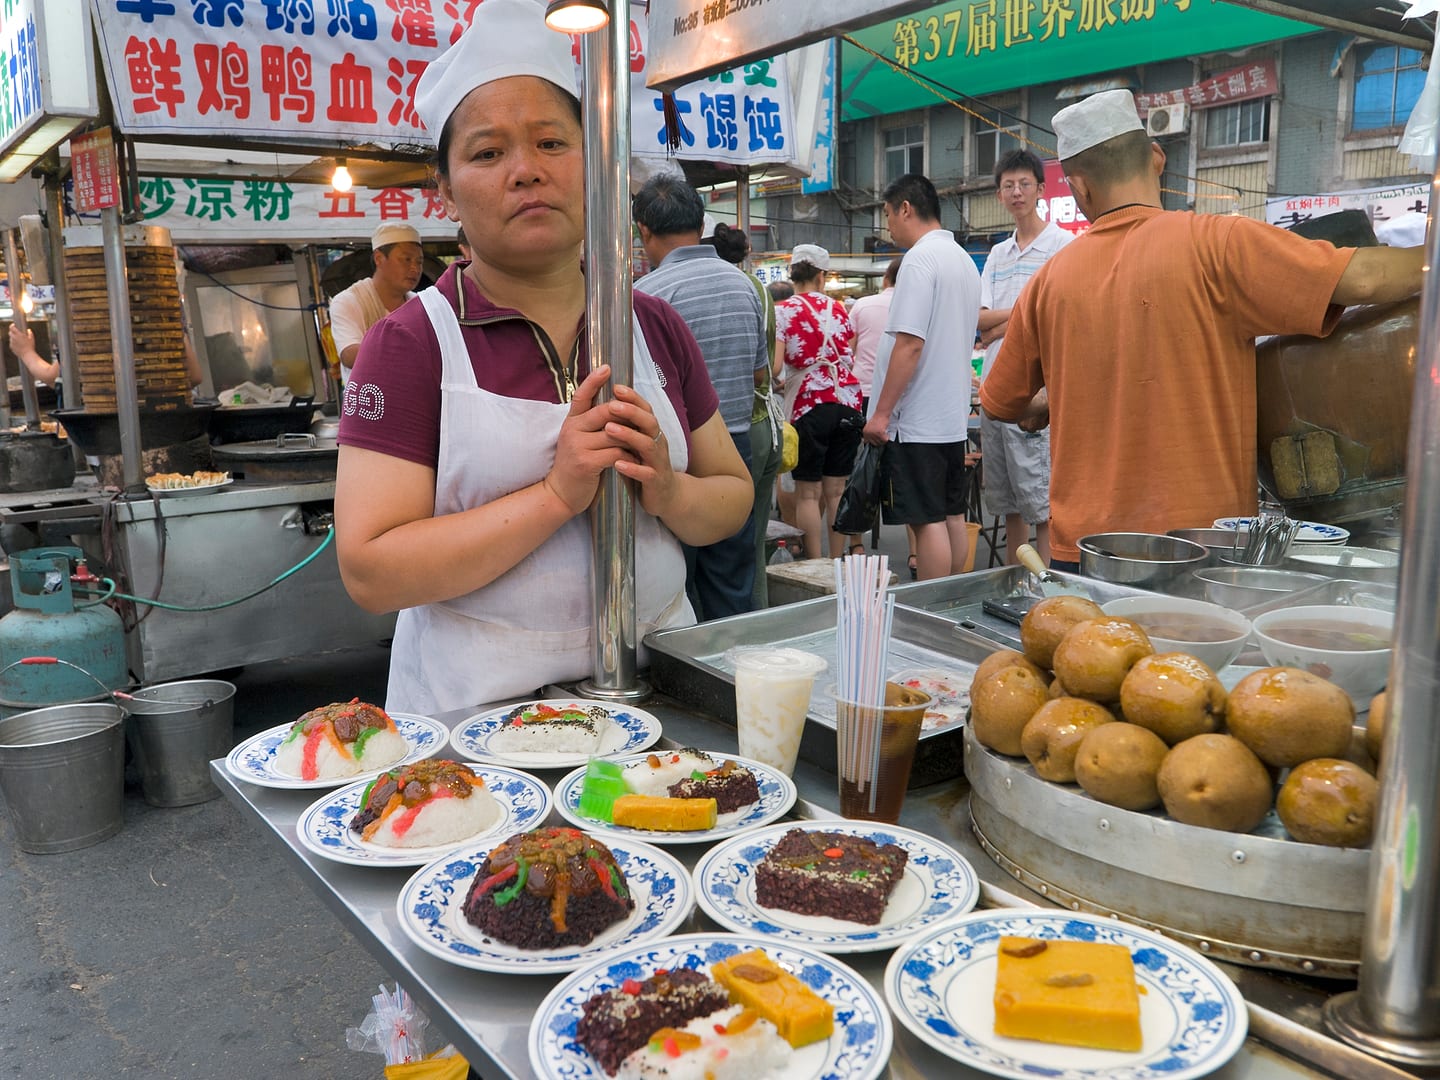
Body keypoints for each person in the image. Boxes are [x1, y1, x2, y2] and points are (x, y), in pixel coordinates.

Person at [333, 0, 751, 715]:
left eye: (553, 143)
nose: (525, 171)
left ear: (594, 165)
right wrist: (556, 495)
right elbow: (372, 571)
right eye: (488, 153)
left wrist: (669, 491)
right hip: (476, 726)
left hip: (656, 705)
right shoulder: (409, 344)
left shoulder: (651, 324)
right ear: (447, 195)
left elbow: (733, 498)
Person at [979, 89, 1425, 570]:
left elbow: (1001, 401)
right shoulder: (1220, 245)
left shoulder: (1048, 282)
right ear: (1156, 158)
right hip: (1204, 551)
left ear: (1079, 187)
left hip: (1089, 554)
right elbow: (1367, 277)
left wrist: (1050, 401)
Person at [632, 176, 768, 619]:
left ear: (644, 231)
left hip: (680, 459)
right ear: (700, 222)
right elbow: (760, 372)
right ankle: (733, 679)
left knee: (679, 583)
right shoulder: (745, 285)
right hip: (739, 448)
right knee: (732, 579)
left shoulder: (648, 298)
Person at [862, 174, 981, 580]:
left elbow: (910, 344)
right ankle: (954, 597)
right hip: (949, 417)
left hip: (917, 421)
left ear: (905, 209)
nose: (888, 225)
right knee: (951, 514)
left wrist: (880, 414)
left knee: (925, 519)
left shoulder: (918, 260)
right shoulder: (962, 259)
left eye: (888, 214)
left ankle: (931, 608)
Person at [977, 149, 1073, 566]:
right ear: (999, 194)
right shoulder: (997, 254)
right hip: (995, 386)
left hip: (1037, 390)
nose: (1016, 192)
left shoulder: (1062, 245)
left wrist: (1004, 325)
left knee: (1040, 495)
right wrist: (1017, 318)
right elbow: (980, 322)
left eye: (1024, 184)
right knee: (1007, 497)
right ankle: (1015, 580)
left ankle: (1045, 585)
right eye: (1008, 186)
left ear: (1040, 188)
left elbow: (1055, 316)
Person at [703, 220, 781, 609]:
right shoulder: (758, 289)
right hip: (763, 423)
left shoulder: (725, 286)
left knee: (724, 548)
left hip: (731, 431)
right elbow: (766, 369)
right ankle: (757, 621)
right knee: (751, 539)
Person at [773, 244, 865, 560]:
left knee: (808, 494)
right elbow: (848, 358)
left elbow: (774, 367)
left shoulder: (783, 311)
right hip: (848, 405)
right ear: (822, 276)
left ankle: (815, 563)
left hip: (809, 406)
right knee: (837, 491)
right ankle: (837, 562)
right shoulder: (840, 310)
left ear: (793, 272)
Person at [329, 221, 425, 382]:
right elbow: (349, 355)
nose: (415, 268)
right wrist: (407, 351)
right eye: (406, 259)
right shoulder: (348, 301)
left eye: (419, 262)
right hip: (368, 403)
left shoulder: (420, 304)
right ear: (379, 258)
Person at [848, 255, 901, 414]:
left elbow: (848, 350)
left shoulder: (862, 305)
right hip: (903, 391)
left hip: (863, 388)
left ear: (886, 279)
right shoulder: (918, 307)